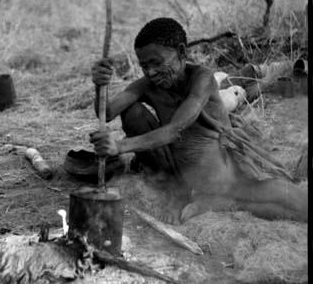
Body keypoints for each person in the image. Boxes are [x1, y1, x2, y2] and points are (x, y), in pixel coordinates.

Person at [90, 17, 307, 223]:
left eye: (156, 63)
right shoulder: (146, 85)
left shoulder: (202, 78)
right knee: (132, 113)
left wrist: (119, 146)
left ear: (182, 52)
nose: (151, 72)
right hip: (177, 170)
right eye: (144, 66)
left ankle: (223, 201)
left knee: (289, 202)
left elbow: (176, 128)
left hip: (217, 173)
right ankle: (176, 190)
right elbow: (106, 113)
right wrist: (100, 86)